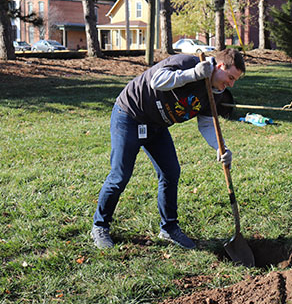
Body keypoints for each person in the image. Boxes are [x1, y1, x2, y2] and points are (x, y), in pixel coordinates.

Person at [91, 49, 245, 250]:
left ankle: (169, 229)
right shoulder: (187, 62)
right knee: (120, 176)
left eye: (235, 81)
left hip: (157, 126)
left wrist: (220, 147)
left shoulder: (215, 93)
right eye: (230, 77)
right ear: (219, 66)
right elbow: (157, 81)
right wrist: (195, 74)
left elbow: (207, 124)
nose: (231, 84)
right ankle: (100, 226)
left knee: (170, 172)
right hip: (130, 115)